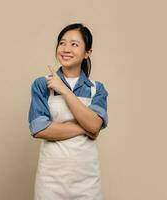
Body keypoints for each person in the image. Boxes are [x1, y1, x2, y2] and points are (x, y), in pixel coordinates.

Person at [28, 23, 109, 199]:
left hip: (87, 181)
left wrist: (63, 89)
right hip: (50, 181)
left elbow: (94, 125)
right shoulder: (42, 85)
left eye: (74, 44)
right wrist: (85, 128)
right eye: (62, 43)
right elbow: (39, 129)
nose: (66, 49)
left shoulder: (97, 89)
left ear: (87, 52)